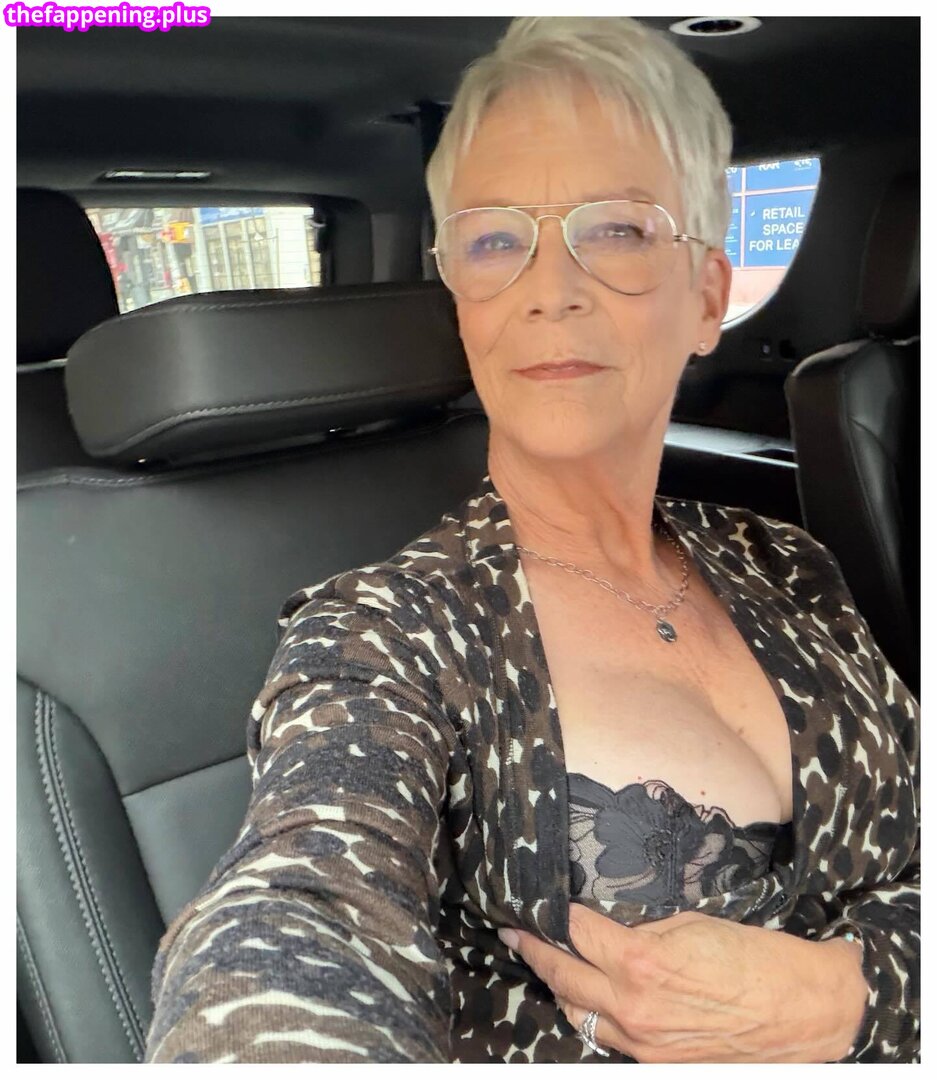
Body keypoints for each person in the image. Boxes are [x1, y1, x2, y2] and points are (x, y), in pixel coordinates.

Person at [145, 17, 919, 1064]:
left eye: (618, 229)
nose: (551, 289)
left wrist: (850, 994)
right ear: (461, 302)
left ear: (706, 297)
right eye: (495, 240)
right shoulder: (385, 631)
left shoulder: (785, 560)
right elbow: (299, 911)